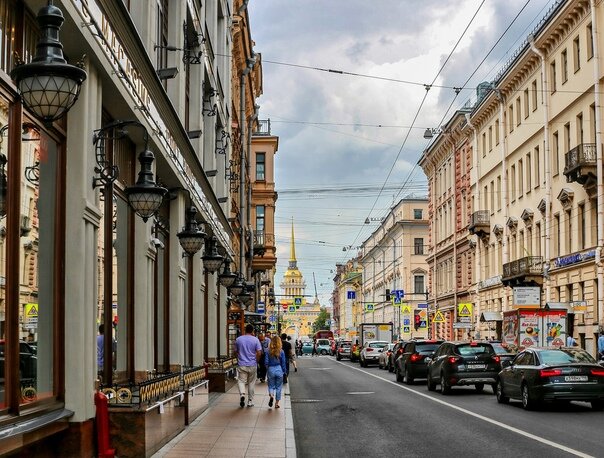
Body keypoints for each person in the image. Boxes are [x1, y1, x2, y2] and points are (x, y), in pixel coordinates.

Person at [234, 324, 262, 408]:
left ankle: (242, 394)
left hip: (242, 364)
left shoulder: (238, 339)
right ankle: (250, 401)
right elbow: (259, 353)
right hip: (252, 364)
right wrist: (256, 360)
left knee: (241, 381)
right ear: (252, 331)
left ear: (245, 330)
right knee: (251, 383)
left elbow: (235, 351)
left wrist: (239, 357)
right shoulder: (256, 340)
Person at [265, 335, 287, 409]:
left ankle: (271, 395)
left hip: (271, 369)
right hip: (279, 369)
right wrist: (284, 372)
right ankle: (276, 404)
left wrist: (268, 370)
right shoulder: (281, 351)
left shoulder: (268, 351)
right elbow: (283, 363)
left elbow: (266, 362)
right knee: (278, 387)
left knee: (271, 386)